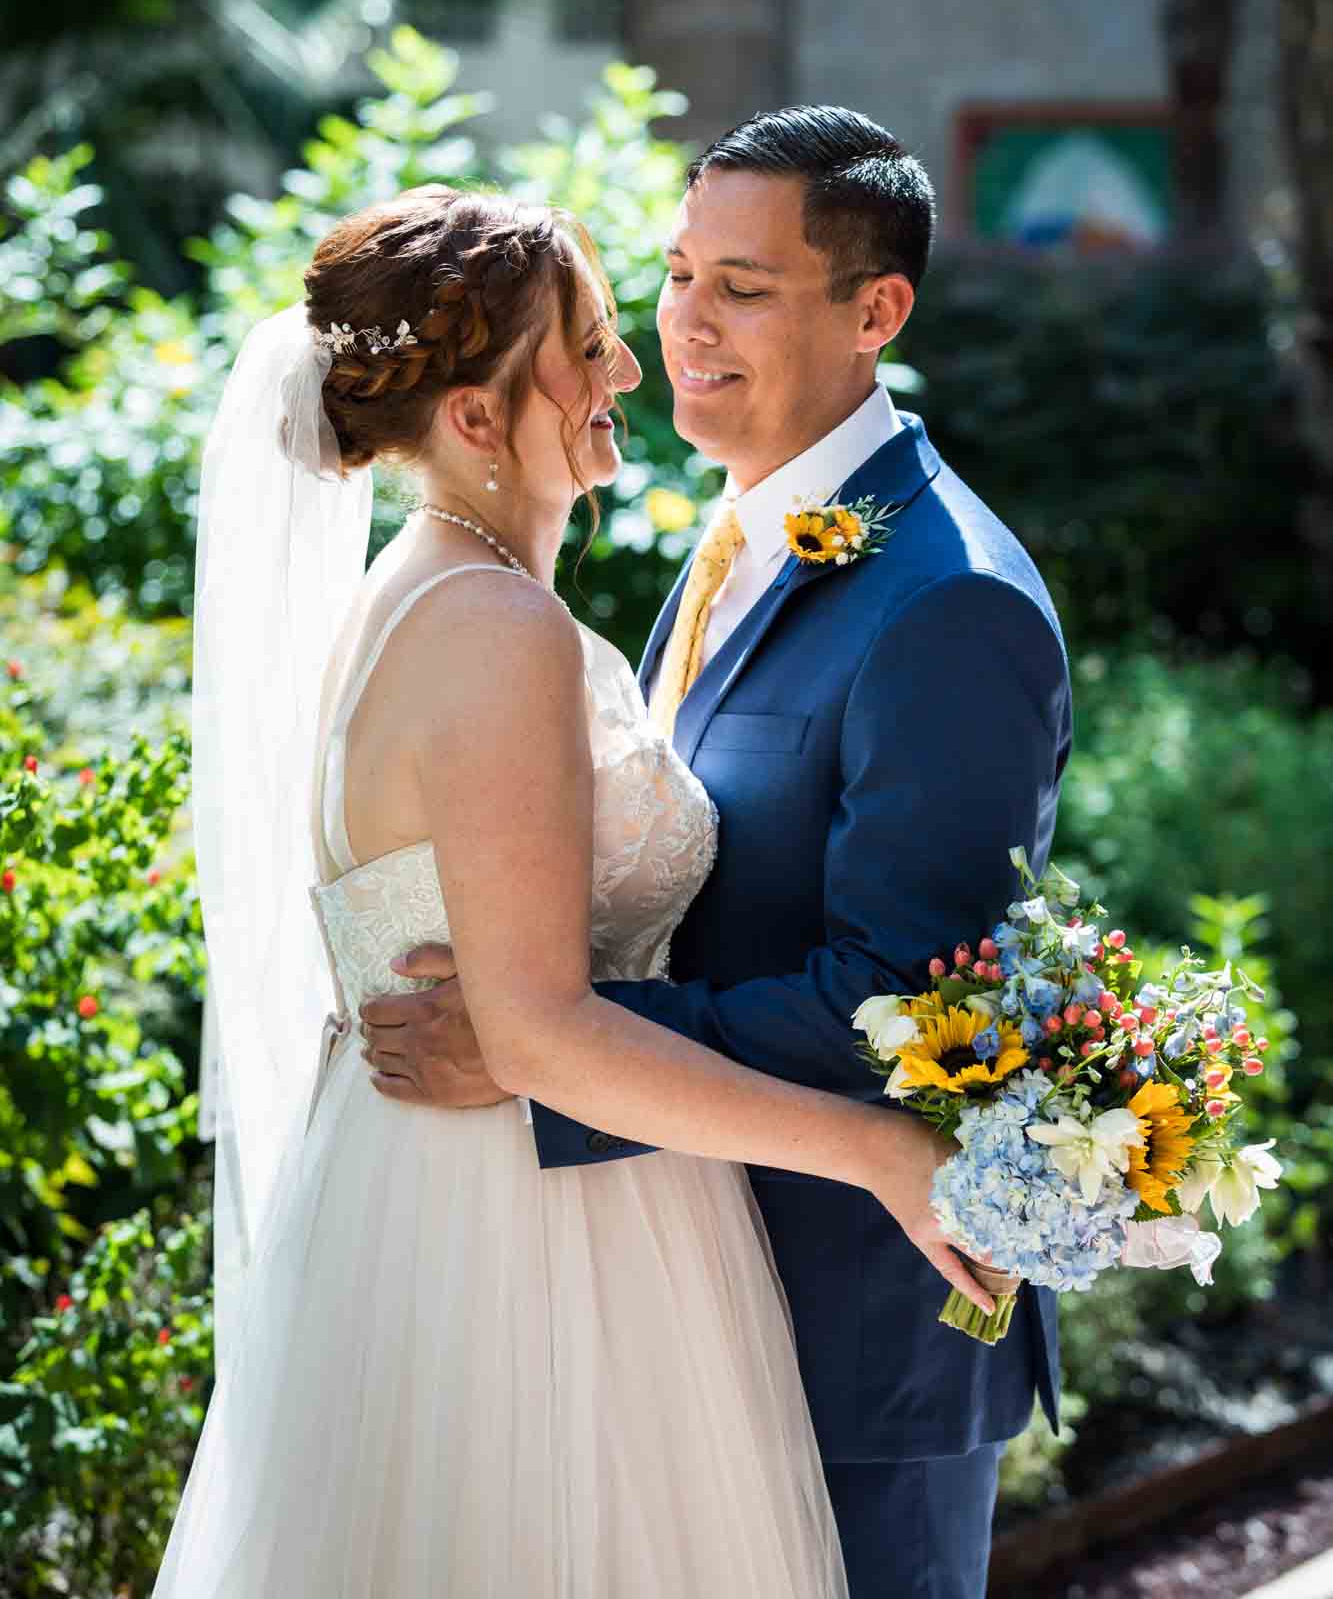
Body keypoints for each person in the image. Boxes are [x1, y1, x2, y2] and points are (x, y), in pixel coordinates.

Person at [157, 183, 996, 1599]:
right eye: (591, 341)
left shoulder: (433, 595)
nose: (629, 368)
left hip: (479, 1187)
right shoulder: (492, 628)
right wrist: (879, 1151)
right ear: (478, 419)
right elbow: (537, 1034)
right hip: (526, 1235)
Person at [361, 110, 1073, 1599]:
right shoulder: (735, 535)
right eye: (679, 274)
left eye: (742, 287)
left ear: (875, 310)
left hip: (856, 1329)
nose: (685, 321)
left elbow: (894, 1006)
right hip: (674, 1298)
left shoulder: (949, 606)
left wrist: (537, 1040)